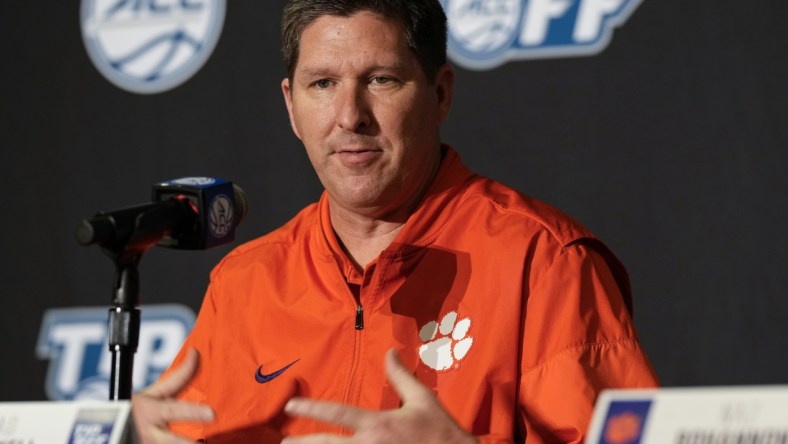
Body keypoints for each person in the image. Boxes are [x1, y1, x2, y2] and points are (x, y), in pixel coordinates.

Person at [131, 0, 659, 442]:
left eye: (381, 79)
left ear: (441, 93)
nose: (349, 115)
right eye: (322, 84)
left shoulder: (543, 261)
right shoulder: (243, 282)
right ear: (291, 108)